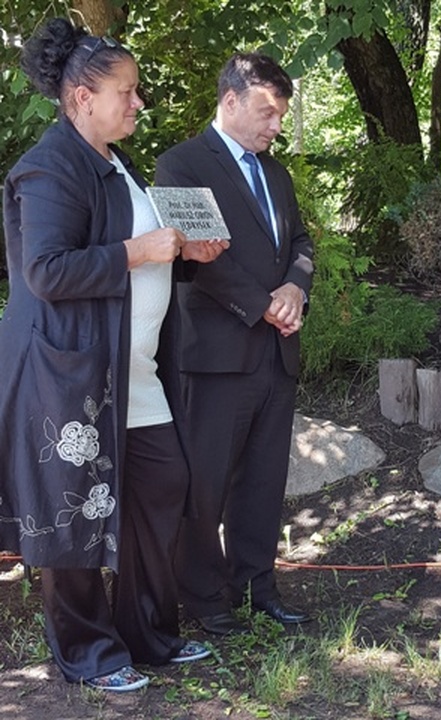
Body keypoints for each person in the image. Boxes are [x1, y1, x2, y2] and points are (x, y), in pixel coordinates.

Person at [0, 18, 230, 691]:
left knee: (162, 485)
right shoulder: (50, 165)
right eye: (126, 91)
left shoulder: (113, 161)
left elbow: (137, 254)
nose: (138, 102)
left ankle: (148, 634)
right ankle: (89, 653)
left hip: (132, 371)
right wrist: (138, 251)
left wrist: (184, 254)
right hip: (69, 376)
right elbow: (46, 271)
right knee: (71, 513)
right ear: (82, 98)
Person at [154, 53, 314, 636]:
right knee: (207, 480)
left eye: (281, 115)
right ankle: (202, 594)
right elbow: (201, 258)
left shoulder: (277, 174)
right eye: (268, 112)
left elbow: (300, 241)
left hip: (275, 352)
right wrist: (263, 304)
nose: (276, 125)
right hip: (216, 355)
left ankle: (256, 586)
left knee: (264, 480)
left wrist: (295, 288)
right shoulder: (181, 164)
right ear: (231, 101)